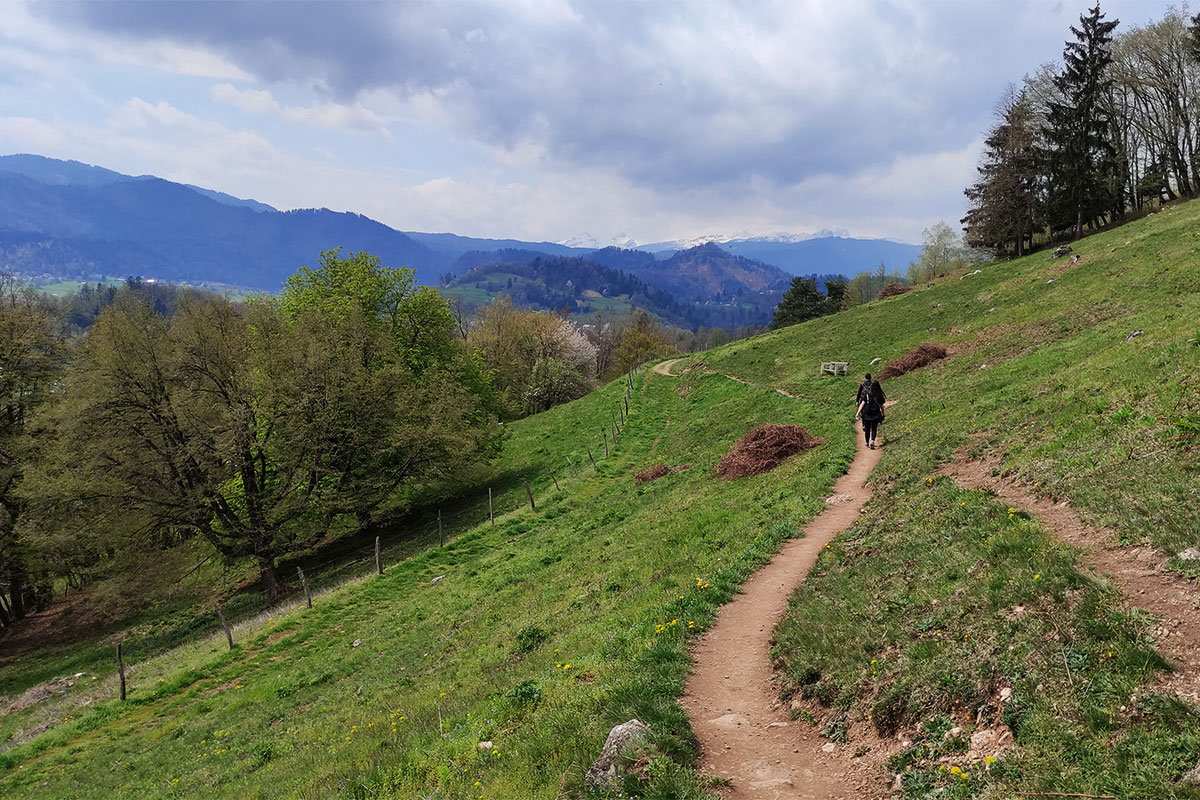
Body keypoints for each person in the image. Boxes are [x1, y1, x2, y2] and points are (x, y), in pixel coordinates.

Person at [855, 373, 885, 450]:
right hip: (875, 412)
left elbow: (862, 403)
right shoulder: (878, 395)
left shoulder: (865, 390)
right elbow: (881, 406)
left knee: (867, 429)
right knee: (874, 427)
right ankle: (872, 441)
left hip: (867, 411)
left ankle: (867, 442)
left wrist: (857, 413)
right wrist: (882, 414)